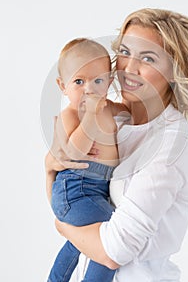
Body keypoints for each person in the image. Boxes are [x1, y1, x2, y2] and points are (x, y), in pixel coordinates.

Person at [45, 8, 188, 282]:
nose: (128, 68)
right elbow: (72, 200)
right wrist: (49, 169)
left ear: (173, 70)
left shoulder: (173, 144)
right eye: (124, 52)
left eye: (147, 58)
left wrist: (62, 226)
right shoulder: (115, 120)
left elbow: (114, 252)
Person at [46, 38, 128, 282]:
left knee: (79, 243)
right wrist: (91, 116)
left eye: (98, 81)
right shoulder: (69, 115)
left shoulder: (109, 108)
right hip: (76, 189)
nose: (89, 89)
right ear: (63, 86)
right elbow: (73, 153)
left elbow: (132, 113)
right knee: (111, 239)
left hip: (94, 191)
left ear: (109, 83)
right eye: (79, 81)